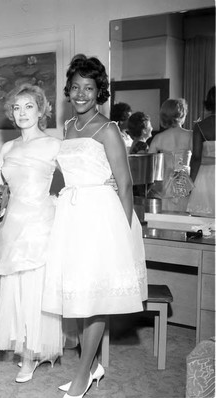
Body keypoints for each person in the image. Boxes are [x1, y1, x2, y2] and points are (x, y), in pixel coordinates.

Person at [42, 55, 147, 398]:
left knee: (96, 299)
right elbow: (64, 176)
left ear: (99, 91)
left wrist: (125, 233)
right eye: (75, 87)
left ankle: (83, 373)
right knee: (79, 295)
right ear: (68, 92)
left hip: (102, 219)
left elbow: (125, 183)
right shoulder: (69, 127)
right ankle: (93, 365)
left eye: (89, 88)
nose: (81, 94)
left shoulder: (109, 129)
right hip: (73, 218)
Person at [0, 83, 63, 383]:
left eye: (29, 106)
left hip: (39, 222)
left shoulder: (54, 145)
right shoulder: (8, 148)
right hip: (10, 224)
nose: (22, 113)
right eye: (16, 108)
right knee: (15, 289)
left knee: (35, 287)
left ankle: (32, 355)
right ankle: (23, 348)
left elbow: (75, 178)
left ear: (42, 110)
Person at [148, 98, 193, 212]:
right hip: (185, 180)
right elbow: (197, 157)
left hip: (166, 181)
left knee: (167, 216)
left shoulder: (159, 138)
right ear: (182, 114)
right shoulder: (190, 135)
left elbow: (150, 162)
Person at [187, 86, 215, 217]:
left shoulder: (200, 126)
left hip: (205, 176)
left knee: (203, 222)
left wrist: (191, 182)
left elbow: (196, 157)